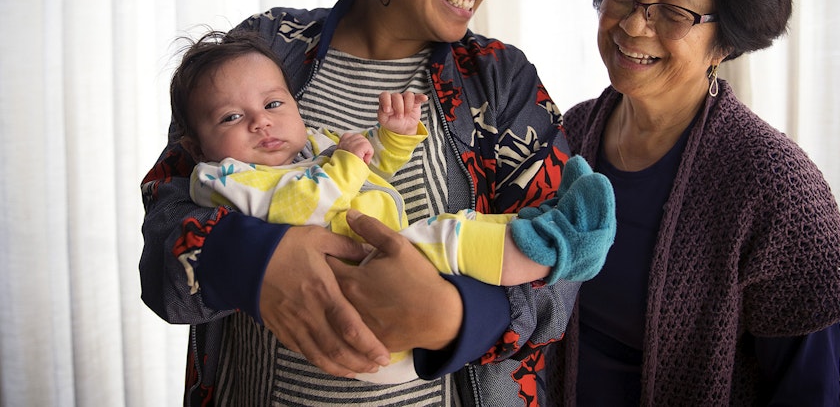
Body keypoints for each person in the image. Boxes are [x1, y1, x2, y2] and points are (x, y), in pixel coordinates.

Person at [140, 0, 582, 406]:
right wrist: (255, 262)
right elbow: (162, 230)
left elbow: (563, 266)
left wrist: (453, 315)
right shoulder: (263, 55)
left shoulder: (499, 82)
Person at [546, 0, 840, 405]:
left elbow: (808, 392)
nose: (631, 23)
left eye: (673, 11)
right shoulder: (570, 136)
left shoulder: (777, 186)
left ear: (727, 38)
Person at [169, 30, 616, 384]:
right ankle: (560, 245)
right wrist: (344, 160)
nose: (259, 120)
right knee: (446, 237)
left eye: (272, 104)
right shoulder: (223, 178)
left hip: (391, 278)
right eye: (231, 117)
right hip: (354, 307)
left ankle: (543, 223)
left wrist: (392, 139)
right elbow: (301, 203)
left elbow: (365, 173)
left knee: (461, 226)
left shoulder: (311, 147)